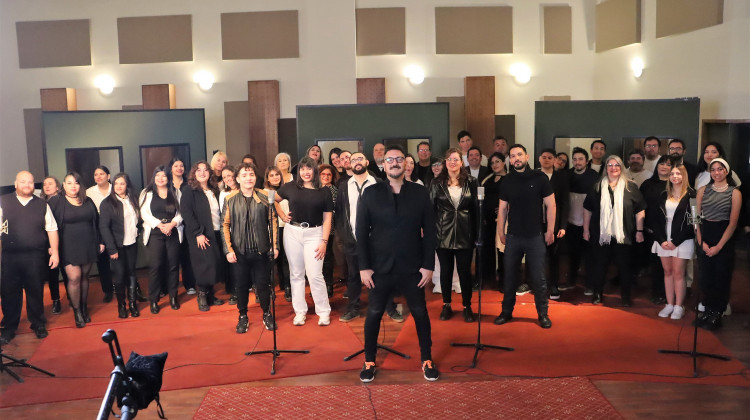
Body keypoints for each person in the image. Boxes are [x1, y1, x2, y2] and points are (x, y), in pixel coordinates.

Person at [356, 144, 439, 382]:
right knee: (373, 313)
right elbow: (361, 233)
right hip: (378, 267)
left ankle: (427, 359)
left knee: (421, 313)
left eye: (399, 159)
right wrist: (364, 266)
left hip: (413, 267)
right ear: (383, 165)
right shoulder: (371, 193)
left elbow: (430, 232)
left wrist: (428, 265)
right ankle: (369, 360)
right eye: (390, 159)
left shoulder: (419, 192)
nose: (394, 163)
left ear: (406, 164)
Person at [336, 152, 403, 323]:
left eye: (359, 159)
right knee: (353, 275)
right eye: (353, 160)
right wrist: (345, 235)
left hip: (377, 240)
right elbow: (340, 213)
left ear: (366, 161)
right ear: (349, 165)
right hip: (353, 239)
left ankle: (389, 307)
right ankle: (353, 307)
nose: (357, 162)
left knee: (383, 274)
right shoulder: (344, 186)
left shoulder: (379, 183)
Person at [494, 145, 555, 329]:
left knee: (538, 278)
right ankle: (506, 312)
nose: (516, 158)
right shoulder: (507, 181)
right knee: (510, 277)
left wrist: (550, 230)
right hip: (513, 236)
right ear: (510, 160)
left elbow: (551, 206)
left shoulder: (540, 178)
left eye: (519, 154)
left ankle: (543, 314)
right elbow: (502, 209)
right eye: (512, 156)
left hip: (535, 236)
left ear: (527, 157)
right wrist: (500, 232)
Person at [0, 171, 59, 344]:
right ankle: (9, 327)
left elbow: (52, 229)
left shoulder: (42, 204)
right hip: (10, 257)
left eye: (30, 182)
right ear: (16, 183)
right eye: (23, 182)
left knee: (36, 291)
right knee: (10, 293)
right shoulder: (3, 202)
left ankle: (38, 324)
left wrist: (54, 252)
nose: (27, 185)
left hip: (35, 256)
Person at [221, 163, 279, 333]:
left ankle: (267, 313)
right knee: (241, 285)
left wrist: (274, 245)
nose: (248, 178)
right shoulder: (230, 199)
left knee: (263, 284)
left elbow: (273, 221)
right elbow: (225, 225)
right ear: (237, 179)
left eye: (251, 174)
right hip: (240, 252)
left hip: (262, 250)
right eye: (244, 175)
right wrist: (228, 250)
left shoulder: (265, 196)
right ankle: (242, 315)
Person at [276, 157, 333, 326]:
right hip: (292, 232)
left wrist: (324, 241)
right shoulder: (291, 186)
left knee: (315, 275)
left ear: (314, 171)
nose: (305, 172)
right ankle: (300, 311)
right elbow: (274, 200)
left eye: (309, 169)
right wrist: (282, 215)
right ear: (299, 171)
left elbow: (328, 219)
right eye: (302, 169)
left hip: (315, 234)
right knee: (296, 274)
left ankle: (323, 311)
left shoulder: (324, 191)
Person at [583, 155, 646, 306]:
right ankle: (597, 294)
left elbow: (640, 210)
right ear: (606, 168)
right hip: (601, 235)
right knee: (600, 266)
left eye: (617, 165)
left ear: (622, 167)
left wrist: (639, 231)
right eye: (610, 165)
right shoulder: (597, 186)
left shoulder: (631, 186)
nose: (613, 168)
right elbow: (587, 209)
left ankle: (625, 297)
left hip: (623, 235)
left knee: (625, 268)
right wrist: (586, 230)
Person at [430, 148, 478, 322]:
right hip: (443, 233)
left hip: (465, 232)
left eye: (456, 159)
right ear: (445, 162)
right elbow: (430, 209)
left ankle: (467, 306)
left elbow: (476, 210)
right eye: (449, 159)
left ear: (461, 162)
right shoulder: (436, 183)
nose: (452, 162)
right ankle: (447, 304)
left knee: (465, 272)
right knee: (446, 271)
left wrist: (478, 233)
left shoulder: (471, 181)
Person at [50, 172, 103, 327]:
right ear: (64, 185)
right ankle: (77, 311)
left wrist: (100, 241)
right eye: (69, 183)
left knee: (85, 277)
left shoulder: (88, 200)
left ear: (80, 185)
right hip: (67, 245)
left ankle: (84, 307)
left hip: (88, 243)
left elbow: (96, 222)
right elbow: (49, 226)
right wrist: (51, 248)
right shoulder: (56, 202)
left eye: (76, 183)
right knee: (74, 278)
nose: (73, 186)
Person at [695, 158, 741, 330]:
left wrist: (719, 246)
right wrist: (701, 242)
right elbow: (696, 218)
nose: (716, 172)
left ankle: (717, 313)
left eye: (720, 169)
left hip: (724, 238)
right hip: (705, 234)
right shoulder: (702, 190)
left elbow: (733, 223)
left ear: (726, 171)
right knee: (706, 277)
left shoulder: (734, 193)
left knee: (721, 277)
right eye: (713, 169)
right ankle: (707, 310)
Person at [651, 165, 695, 320]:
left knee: (678, 273)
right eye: (672, 174)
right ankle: (669, 304)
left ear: (684, 175)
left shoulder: (692, 195)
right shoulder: (663, 195)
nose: (675, 176)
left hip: (682, 240)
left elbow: (694, 223)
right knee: (667, 272)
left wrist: (676, 241)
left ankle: (678, 306)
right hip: (664, 239)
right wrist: (662, 240)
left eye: (678, 173)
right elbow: (655, 220)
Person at [181, 161, 226, 311]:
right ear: (193, 173)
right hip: (200, 234)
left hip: (215, 232)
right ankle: (202, 296)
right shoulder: (189, 190)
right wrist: (197, 233)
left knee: (213, 264)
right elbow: (187, 214)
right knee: (203, 265)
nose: (202, 173)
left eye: (205, 170)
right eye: (198, 170)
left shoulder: (214, 190)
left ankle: (210, 295)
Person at [139, 166, 183, 314]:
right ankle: (154, 299)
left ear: (168, 178)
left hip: (172, 232)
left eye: (164, 176)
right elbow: (143, 213)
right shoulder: (147, 193)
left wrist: (172, 224)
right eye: (158, 175)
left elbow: (182, 212)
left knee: (173, 266)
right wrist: (159, 225)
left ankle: (173, 297)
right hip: (155, 233)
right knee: (155, 267)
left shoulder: (176, 192)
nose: (161, 178)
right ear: (153, 177)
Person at [99, 173, 142, 319]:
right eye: (116, 183)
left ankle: (132, 304)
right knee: (119, 277)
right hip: (116, 246)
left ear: (127, 185)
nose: (119, 186)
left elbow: (139, 220)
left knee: (131, 273)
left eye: (122, 183)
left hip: (132, 243)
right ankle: (121, 305)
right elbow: (104, 227)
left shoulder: (133, 199)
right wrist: (111, 249)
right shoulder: (107, 203)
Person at [560, 147, 599, 293]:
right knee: (572, 254)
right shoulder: (566, 175)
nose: (577, 162)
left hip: (589, 223)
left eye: (580, 159)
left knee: (590, 255)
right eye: (575, 159)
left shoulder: (594, 176)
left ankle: (590, 285)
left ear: (587, 161)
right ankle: (571, 281)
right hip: (570, 222)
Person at [639, 155, 674, 304]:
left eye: (668, 164)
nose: (664, 167)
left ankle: (670, 294)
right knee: (655, 265)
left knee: (669, 267)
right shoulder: (647, 184)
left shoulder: (675, 184)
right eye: (662, 163)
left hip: (671, 232)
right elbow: (640, 206)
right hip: (650, 230)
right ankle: (657, 292)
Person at [537, 148, 569, 300]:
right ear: (539, 159)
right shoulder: (533, 176)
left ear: (555, 160)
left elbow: (565, 203)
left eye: (550, 157)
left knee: (554, 256)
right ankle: (538, 286)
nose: (547, 160)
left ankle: (554, 286)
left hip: (555, 224)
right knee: (537, 256)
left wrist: (563, 226)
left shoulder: (561, 178)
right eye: (544, 157)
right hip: (536, 223)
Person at [86, 165, 115, 304]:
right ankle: (108, 291)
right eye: (96, 174)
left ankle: (129, 288)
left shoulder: (116, 188)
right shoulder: (89, 192)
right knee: (103, 263)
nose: (98, 177)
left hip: (117, 228)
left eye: (101, 174)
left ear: (108, 176)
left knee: (121, 262)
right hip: (99, 231)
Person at [168, 156, 195, 295]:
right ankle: (168, 287)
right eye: (176, 166)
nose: (179, 168)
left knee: (187, 256)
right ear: (171, 168)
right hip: (171, 225)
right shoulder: (166, 184)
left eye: (181, 166)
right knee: (171, 258)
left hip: (187, 224)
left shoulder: (189, 185)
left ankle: (189, 284)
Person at [265, 166, 292, 302]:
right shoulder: (265, 191)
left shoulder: (287, 189)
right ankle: (269, 289)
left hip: (286, 227)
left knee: (286, 259)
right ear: (267, 178)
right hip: (271, 229)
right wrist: (282, 215)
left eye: (277, 175)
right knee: (272, 259)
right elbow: (274, 203)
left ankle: (287, 286)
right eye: (272, 175)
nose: (275, 177)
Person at [481, 152, 506, 289]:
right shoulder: (487, 179)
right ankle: (488, 278)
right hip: (488, 220)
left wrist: (505, 209)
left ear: (503, 163)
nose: (495, 165)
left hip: (504, 221)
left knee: (502, 250)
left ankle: (503, 281)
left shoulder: (509, 179)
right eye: (492, 163)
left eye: (497, 161)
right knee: (487, 250)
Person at [41, 176, 65, 315]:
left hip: (65, 242)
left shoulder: (63, 201)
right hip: (49, 245)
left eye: (50, 184)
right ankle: (56, 300)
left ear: (57, 186)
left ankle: (73, 299)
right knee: (52, 275)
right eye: (45, 184)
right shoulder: (41, 203)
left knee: (69, 274)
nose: (47, 186)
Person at [319, 164, 342, 297]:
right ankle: (317, 286)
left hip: (331, 229)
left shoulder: (336, 191)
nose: (326, 177)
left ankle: (328, 285)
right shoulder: (314, 190)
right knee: (316, 259)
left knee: (327, 258)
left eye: (328, 175)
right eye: (323, 174)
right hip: (315, 228)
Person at [219, 165, 240, 304]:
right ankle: (235, 291)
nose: (228, 179)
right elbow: (223, 216)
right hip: (232, 232)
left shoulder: (244, 189)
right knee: (234, 263)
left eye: (230, 175)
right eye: (225, 177)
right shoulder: (223, 194)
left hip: (247, 231)